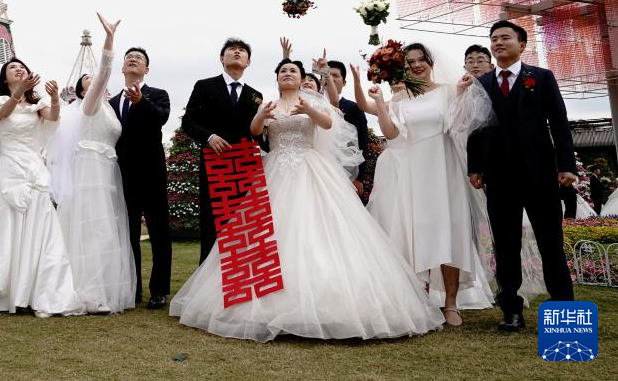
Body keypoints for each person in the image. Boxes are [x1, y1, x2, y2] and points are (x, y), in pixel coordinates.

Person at [170, 58, 442, 341]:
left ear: (301, 78)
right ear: (277, 78)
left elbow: (327, 124)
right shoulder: (269, 104)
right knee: (267, 233)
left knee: (320, 229)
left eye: (293, 71)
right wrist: (262, 115)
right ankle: (260, 297)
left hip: (311, 168)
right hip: (275, 169)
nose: (287, 74)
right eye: (283, 71)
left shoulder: (313, 101)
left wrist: (309, 109)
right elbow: (255, 132)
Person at [354, 42, 494, 327]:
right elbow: (390, 132)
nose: (417, 65)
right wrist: (377, 100)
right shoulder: (400, 97)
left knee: (449, 231)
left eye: (421, 60)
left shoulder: (447, 89)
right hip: (414, 168)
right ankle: (424, 298)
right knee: (420, 232)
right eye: (410, 62)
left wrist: (461, 92)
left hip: (444, 165)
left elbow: (458, 124)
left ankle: (451, 303)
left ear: (431, 62)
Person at [467, 20, 578, 332]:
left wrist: (566, 165)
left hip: (539, 175)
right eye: (494, 39)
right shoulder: (481, 84)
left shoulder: (541, 78)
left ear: (522, 44)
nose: (498, 43)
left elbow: (559, 122)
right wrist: (474, 167)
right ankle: (511, 309)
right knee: (505, 245)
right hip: (498, 178)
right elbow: (474, 127)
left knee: (550, 243)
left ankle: (563, 309)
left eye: (505, 37)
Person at [0, 59, 82, 317]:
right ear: (4, 78)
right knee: (7, 221)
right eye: (12, 68)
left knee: (41, 222)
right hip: (10, 166)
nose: (19, 70)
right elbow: (4, 114)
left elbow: (53, 118)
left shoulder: (36, 104)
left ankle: (38, 291)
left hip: (34, 166)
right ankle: (3, 289)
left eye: (23, 68)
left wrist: (54, 98)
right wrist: (19, 92)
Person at [53, 13, 137, 313]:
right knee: (92, 230)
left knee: (106, 232)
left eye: (94, 81)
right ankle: (86, 291)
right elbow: (104, 72)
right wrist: (109, 40)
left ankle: (103, 288)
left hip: (108, 171)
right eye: (87, 81)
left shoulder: (109, 110)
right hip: (89, 171)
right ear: (82, 92)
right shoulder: (89, 106)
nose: (95, 82)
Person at [181, 39, 263, 263]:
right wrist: (209, 137)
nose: (237, 52)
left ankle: (242, 276)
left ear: (248, 62)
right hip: (214, 164)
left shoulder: (256, 95)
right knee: (212, 224)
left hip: (245, 166)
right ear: (221, 58)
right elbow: (188, 122)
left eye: (242, 50)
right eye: (232, 49)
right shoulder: (205, 86)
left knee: (243, 226)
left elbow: (257, 134)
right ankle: (207, 279)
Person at [111, 47, 171, 308]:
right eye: (129, 57)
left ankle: (159, 290)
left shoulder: (158, 94)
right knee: (128, 232)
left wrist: (140, 101)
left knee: (158, 232)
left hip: (151, 172)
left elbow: (162, 118)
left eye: (139, 58)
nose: (133, 59)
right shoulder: (112, 102)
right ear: (122, 67)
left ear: (146, 69)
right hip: (122, 174)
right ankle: (132, 288)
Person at [326, 60, 369, 196]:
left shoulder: (353, 108)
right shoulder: (309, 106)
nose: (331, 78)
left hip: (346, 173)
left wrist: (358, 177)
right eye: (327, 75)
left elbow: (362, 141)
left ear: (344, 82)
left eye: (336, 75)